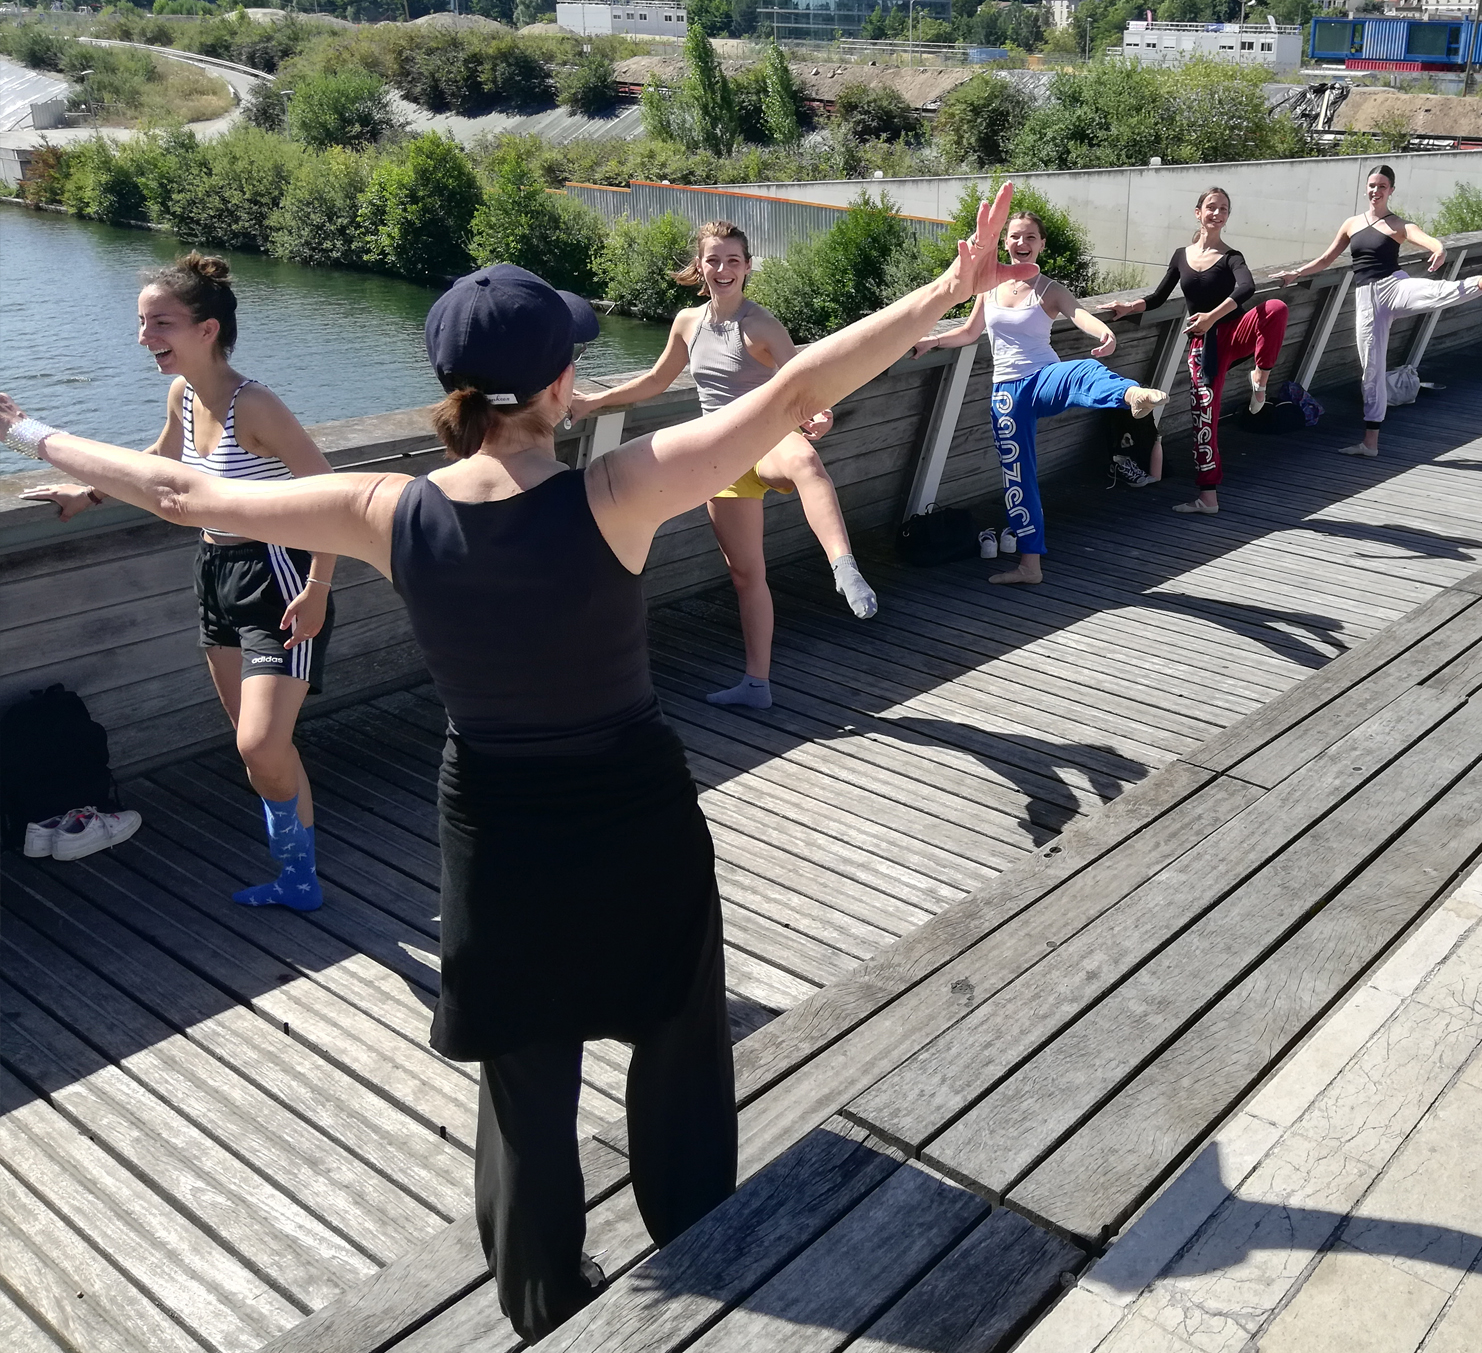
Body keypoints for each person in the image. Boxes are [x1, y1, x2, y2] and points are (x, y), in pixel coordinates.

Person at [0, 182, 1034, 1344]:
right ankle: (705, 1244)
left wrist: (27, 430)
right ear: (558, 389)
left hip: (491, 819)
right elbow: (795, 392)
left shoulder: (390, 511)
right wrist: (947, 292)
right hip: (633, 806)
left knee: (522, 1070)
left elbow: (185, 491)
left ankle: (543, 1302)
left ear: (453, 389)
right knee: (677, 1043)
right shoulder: (619, 489)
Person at [23, 253, 335, 910]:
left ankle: (300, 876)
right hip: (215, 571)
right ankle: (297, 879)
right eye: (142, 323)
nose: (144, 338)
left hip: (279, 576)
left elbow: (330, 495)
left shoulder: (259, 406)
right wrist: (87, 491)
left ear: (207, 330)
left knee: (261, 743)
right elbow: (159, 462)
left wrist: (319, 586)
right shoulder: (183, 395)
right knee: (259, 755)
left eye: (160, 323)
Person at [569, 220, 877, 712]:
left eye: (733, 260)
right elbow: (653, 380)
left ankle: (844, 567)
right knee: (745, 576)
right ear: (700, 266)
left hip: (766, 439)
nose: (723, 269)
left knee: (806, 461)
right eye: (713, 259)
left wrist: (822, 412)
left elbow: (807, 381)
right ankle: (757, 684)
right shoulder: (687, 323)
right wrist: (594, 402)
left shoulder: (761, 325)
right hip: (718, 456)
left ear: (748, 266)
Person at [911, 210, 1166, 586]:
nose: (1022, 244)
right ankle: (1029, 567)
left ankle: (1130, 394)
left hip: (1043, 376)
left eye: (1030, 237)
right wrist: (932, 340)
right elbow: (968, 333)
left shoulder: (1049, 289)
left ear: (1042, 244)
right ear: (1006, 242)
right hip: (1006, 393)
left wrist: (1104, 334)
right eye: (1015, 237)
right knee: (1018, 477)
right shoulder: (989, 288)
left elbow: (1080, 314)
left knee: (1083, 371)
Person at [1275, 164, 1482, 459]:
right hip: (1367, 299)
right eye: (1372, 185)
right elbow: (1327, 258)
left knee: (1436, 292)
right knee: (1372, 370)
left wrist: (1439, 249)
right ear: (1366, 189)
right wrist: (1296, 273)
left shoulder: (1398, 224)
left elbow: (1427, 239)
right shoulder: (1351, 224)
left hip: (1394, 285)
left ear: (1391, 191)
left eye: (1382, 186)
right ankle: (1370, 443)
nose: (1375, 191)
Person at [1101, 187, 1288, 515]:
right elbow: (1159, 297)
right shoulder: (1181, 255)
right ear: (1198, 212)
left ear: (1227, 217)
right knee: (1205, 418)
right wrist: (1128, 307)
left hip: (1232, 331)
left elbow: (1248, 288)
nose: (1217, 213)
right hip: (1204, 346)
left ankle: (1261, 376)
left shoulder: (1232, 257)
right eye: (1211, 207)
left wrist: (1210, 317)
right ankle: (1207, 497)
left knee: (1274, 308)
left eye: (1224, 209)